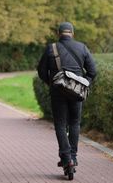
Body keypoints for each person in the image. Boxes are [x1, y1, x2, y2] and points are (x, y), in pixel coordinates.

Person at [37, 22, 97, 173]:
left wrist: (52, 83)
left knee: (60, 124)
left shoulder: (52, 48)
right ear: (72, 33)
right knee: (75, 123)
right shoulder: (82, 47)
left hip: (58, 92)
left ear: (58, 34)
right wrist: (84, 83)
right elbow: (93, 71)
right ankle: (73, 157)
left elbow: (41, 71)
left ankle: (65, 158)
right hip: (76, 92)